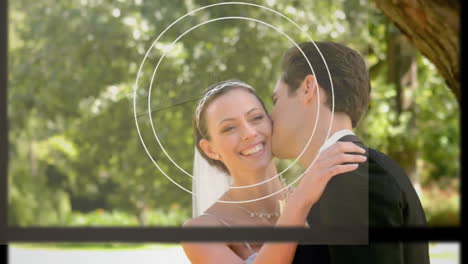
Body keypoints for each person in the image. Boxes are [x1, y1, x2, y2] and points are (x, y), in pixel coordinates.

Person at [269, 41, 429, 263]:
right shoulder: (349, 176)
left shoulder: (352, 177)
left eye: (276, 99)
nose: (270, 116)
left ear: (308, 88)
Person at [182, 80, 367, 263]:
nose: (249, 133)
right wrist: (300, 200)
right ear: (210, 149)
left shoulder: (322, 199)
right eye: (229, 128)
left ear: (271, 121)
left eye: (256, 118)